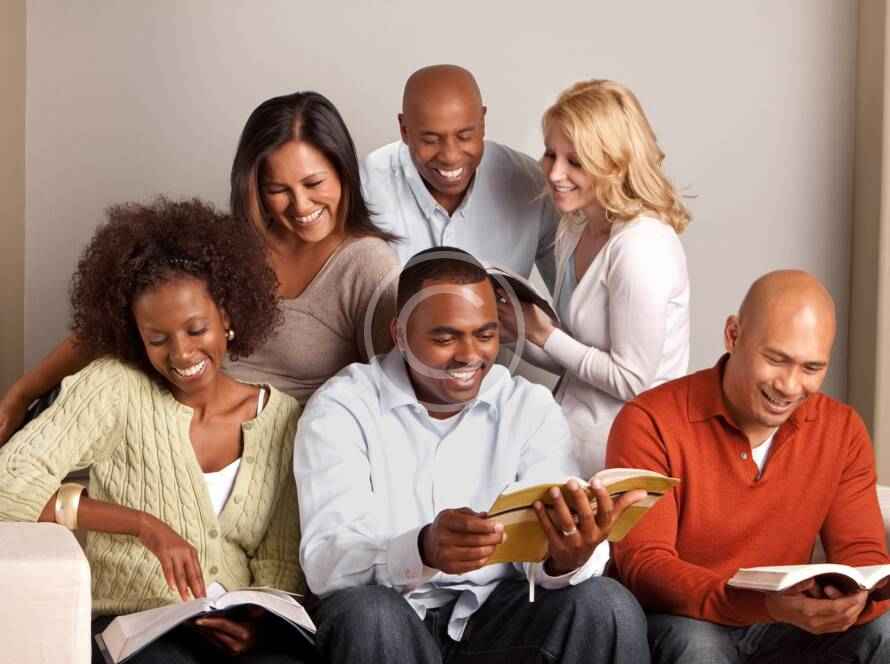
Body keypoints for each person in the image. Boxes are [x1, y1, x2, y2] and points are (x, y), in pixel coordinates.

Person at [294, 247, 650, 664]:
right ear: (400, 335)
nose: (469, 355)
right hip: (389, 617)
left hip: (499, 618)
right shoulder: (343, 406)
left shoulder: (527, 407)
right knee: (369, 614)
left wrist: (567, 557)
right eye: (445, 338)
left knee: (608, 604)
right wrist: (421, 549)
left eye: (485, 335)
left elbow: (546, 553)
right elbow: (325, 561)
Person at [0, 198, 312, 664]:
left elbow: (279, 562)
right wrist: (143, 525)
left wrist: (256, 625)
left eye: (196, 330)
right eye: (158, 339)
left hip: (233, 634)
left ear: (227, 317)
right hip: (137, 630)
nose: (181, 354)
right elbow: (7, 484)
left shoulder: (280, 417)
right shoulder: (114, 389)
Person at [0, 91, 399, 444]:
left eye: (314, 184)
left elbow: (397, 391)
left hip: (269, 451)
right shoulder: (228, 245)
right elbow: (114, 326)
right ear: (255, 188)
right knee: (104, 378)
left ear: (343, 172)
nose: (300, 205)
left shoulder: (367, 265)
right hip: (170, 422)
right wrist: (22, 393)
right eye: (278, 190)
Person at [607, 270, 890, 664]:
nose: (789, 386)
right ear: (733, 335)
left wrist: (856, 599)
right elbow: (645, 566)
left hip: (786, 625)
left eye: (811, 368)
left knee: (884, 632)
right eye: (776, 359)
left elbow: (862, 554)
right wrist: (762, 604)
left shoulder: (842, 429)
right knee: (697, 647)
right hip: (685, 620)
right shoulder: (649, 420)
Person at [498, 79, 690, 477]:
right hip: (571, 446)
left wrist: (544, 334)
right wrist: (510, 327)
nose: (555, 173)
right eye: (550, 154)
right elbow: (575, 360)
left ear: (614, 164)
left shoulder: (641, 247)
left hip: (629, 459)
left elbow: (631, 381)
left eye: (576, 161)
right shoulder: (575, 226)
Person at [362, 64, 559, 285]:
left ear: (482, 122)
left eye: (464, 136)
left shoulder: (531, 184)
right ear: (404, 130)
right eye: (430, 140)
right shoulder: (366, 187)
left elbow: (570, 297)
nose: (450, 156)